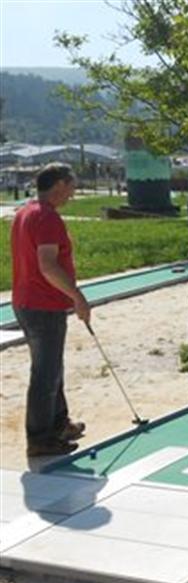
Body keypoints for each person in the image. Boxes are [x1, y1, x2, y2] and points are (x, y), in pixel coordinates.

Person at [11, 163, 90, 456]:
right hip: (43, 305)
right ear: (58, 185)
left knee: (51, 366)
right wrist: (77, 296)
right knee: (45, 373)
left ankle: (59, 422)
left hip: (27, 301)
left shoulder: (26, 211)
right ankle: (40, 438)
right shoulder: (46, 218)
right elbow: (48, 265)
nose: (72, 192)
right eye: (71, 186)